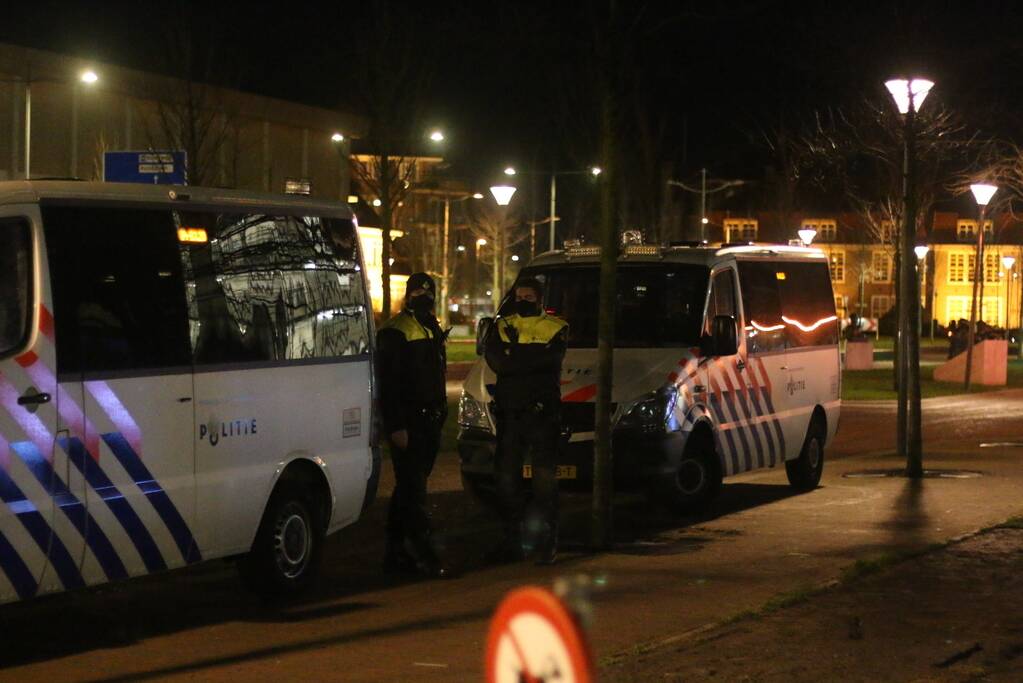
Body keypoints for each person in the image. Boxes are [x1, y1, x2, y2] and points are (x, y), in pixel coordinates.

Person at [484, 277, 568, 565]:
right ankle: (512, 542)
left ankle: (547, 542)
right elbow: (496, 361)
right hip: (510, 414)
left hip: (542, 414)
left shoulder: (556, 327)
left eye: (528, 297)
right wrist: (526, 362)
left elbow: (550, 362)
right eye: (519, 296)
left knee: (544, 482)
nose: (522, 301)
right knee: (507, 481)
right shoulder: (502, 326)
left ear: (540, 299)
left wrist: (513, 358)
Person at [376, 273, 452, 578]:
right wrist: (396, 426)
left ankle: (395, 553)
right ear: (407, 295)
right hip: (408, 422)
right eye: (417, 291)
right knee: (414, 492)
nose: (423, 296)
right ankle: (426, 557)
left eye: (428, 291)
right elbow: (388, 384)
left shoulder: (431, 326)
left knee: (407, 490)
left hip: (430, 420)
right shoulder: (395, 330)